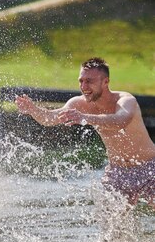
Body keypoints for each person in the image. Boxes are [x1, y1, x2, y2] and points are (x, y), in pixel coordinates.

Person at [15, 57, 155, 207]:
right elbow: (50, 119)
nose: (84, 86)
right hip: (117, 172)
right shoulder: (78, 103)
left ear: (105, 82)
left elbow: (120, 121)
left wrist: (85, 118)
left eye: (89, 81)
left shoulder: (126, 100)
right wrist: (33, 110)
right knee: (112, 224)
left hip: (149, 168)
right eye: (81, 81)